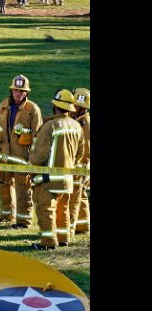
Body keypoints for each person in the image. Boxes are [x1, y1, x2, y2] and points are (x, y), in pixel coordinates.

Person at [29, 89, 84, 250]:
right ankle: (63, 238)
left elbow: (40, 154)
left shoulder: (50, 126)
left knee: (46, 210)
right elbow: (80, 153)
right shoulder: (76, 126)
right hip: (67, 179)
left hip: (49, 179)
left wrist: (31, 165)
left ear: (55, 107)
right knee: (63, 209)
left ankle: (48, 243)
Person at [0, 75, 43, 228]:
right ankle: (6, 216)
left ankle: (24, 221)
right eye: (16, 90)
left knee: (23, 190)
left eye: (22, 91)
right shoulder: (4, 105)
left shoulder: (33, 110)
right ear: (11, 90)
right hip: (4, 156)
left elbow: (37, 137)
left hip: (22, 159)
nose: (18, 94)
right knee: (3, 186)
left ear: (26, 93)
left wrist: (34, 159)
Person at [68, 88, 90, 235]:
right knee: (81, 194)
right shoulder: (80, 119)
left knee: (75, 196)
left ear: (81, 105)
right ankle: (82, 225)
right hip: (80, 166)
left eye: (74, 104)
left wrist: (81, 167)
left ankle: (75, 225)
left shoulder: (85, 122)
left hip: (81, 166)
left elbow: (87, 148)